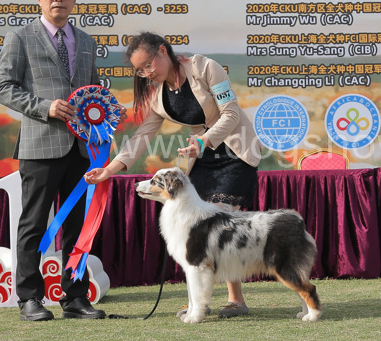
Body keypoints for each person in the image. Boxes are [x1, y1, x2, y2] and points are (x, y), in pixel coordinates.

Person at [85, 31, 262, 318]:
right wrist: (109, 170)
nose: (146, 74)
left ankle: (233, 300)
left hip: (236, 152)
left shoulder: (206, 68)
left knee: (218, 221)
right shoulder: (158, 95)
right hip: (201, 157)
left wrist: (204, 141)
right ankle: (203, 301)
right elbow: (141, 137)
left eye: (148, 65)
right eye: (140, 71)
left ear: (163, 51)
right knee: (201, 230)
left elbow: (230, 113)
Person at [0, 0, 106, 321]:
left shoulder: (86, 42)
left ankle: (75, 297)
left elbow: (94, 90)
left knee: (77, 226)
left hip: (81, 148)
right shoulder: (19, 37)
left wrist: (102, 118)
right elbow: (3, 88)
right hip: (40, 146)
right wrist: (45, 107)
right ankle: (29, 298)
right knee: (34, 224)